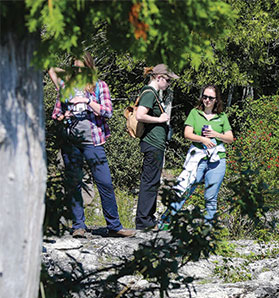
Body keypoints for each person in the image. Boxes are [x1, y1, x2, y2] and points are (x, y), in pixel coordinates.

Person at [50, 53, 135, 238]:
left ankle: (114, 226)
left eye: (82, 68)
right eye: (75, 68)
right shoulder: (66, 87)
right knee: (73, 184)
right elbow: (56, 114)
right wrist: (66, 115)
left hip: (94, 142)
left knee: (104, 182)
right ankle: (78, 226)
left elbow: (108, 112)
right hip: (71, 142)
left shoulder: (99, 86)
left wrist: (87, 101)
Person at [161, 84, 234, 226]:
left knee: (210, 196)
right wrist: (203, 139)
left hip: (217, 160)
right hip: (198, 158)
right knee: (185, 189)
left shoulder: (222, 116)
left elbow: (230, 138)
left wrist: (215, 135)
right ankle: (165, 223)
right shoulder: (195, 113)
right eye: (205, 97)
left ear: (216, 100)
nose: (207, 100)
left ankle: (209, 230)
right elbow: (187, 134)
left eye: (210, 98)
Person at [134, 64, 179, 231]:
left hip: (156, 145)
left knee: (153, 182)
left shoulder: (153, 94)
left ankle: (148, 218)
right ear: (159, 78)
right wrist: (160, 120)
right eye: (167, 80)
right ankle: (144, 220)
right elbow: (140, 115)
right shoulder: (149, 93)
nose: (168, 84)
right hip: (152, 144)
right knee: (149, 182)